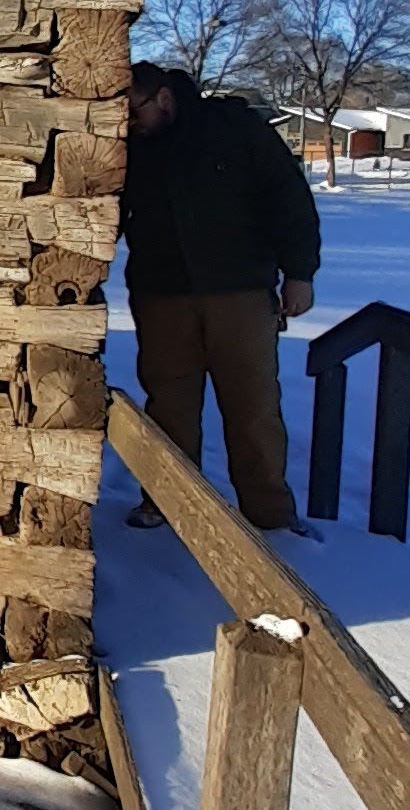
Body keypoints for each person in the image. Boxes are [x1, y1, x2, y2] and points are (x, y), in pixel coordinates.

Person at [121, 63, 321, 534]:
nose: (129, 123)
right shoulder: (129, 147)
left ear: (164, 98)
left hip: (242, 293)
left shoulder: (236, 129)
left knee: (252, 408)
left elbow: (289, 200)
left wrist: (300, 274)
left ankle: (269, 514)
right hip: (162, 294)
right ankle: (166, 504)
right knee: (169, 407)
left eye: (135, 112)